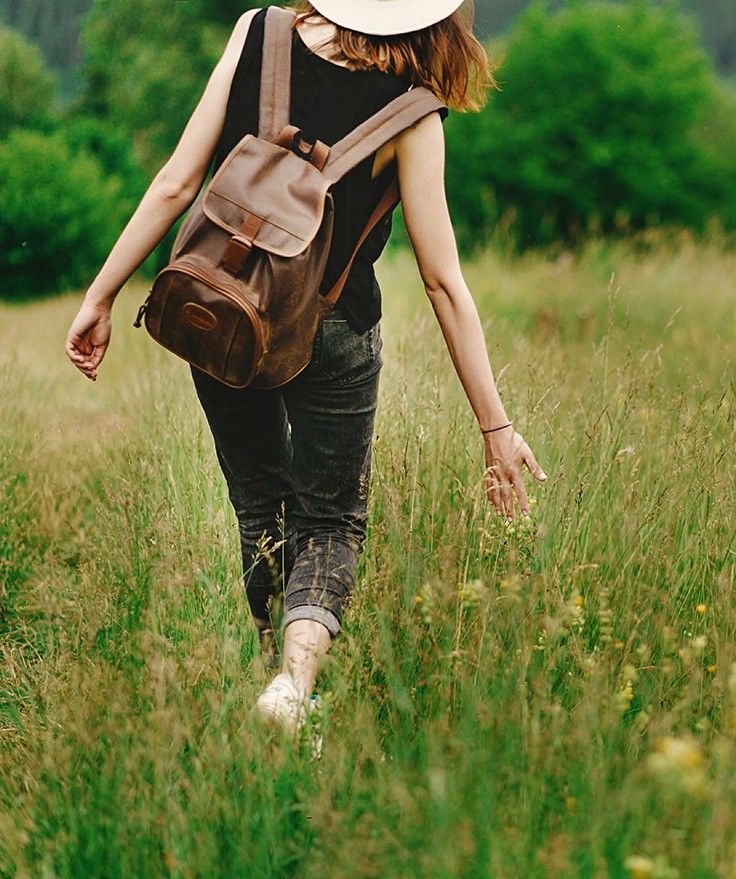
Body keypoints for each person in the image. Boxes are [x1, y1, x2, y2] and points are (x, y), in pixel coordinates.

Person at [63, 0, 548, 734]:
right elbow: (443, 279)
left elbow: (174, 181)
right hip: (334, 331)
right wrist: (495, 426)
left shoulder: (259, 30)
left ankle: (278, 683)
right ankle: (293, 688)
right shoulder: (414, 107)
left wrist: (101, 295)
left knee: (261, 505)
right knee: (329, 521)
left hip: (221, 310)